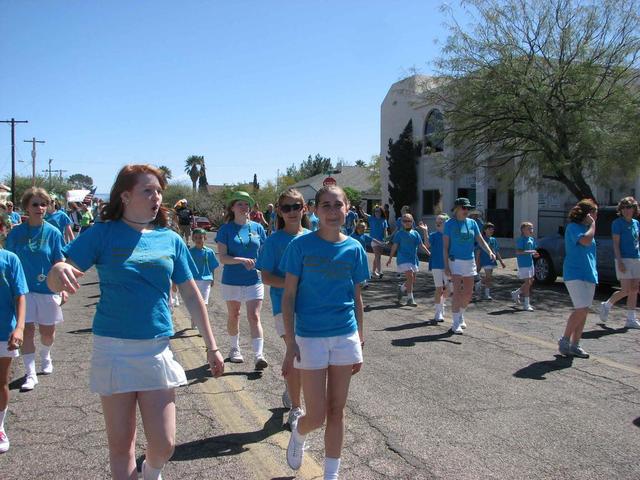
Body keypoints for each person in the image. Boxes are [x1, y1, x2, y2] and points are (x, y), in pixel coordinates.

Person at [47, 164, 225, 479]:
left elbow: (192, 295)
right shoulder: (102, 232)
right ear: (126, 196)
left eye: (159, 191)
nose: (156, 196)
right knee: (121, 447)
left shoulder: (169, 239)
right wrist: (57, 271)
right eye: (148, 190)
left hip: (156, 349)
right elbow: (59, 276)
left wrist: (212, 346)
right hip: (113, 349)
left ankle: (151, 471)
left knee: (165, 443)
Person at [281, 185, 369, 480]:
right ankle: (299, 432)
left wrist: (359, 336)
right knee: (316, 415)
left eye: (338, 205)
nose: (333, 211)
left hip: (345, 334)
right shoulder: (300, 247)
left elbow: (356, 296)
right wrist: (290, 341)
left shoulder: (355, 248)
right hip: (310, 337)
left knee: (337, 410)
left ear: (347, 209)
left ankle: (331, 474)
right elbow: (289, 295)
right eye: (326, 206)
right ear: (316, 211)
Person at [256, 188, 310, 431]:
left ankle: (291, 389)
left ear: (304, 208)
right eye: (286, 207)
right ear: (279, 211)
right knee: (296, 353)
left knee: (305, 357)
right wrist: (291, 284)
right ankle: (297, 408)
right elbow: (266, 276)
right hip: (284, 307)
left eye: (295, 206)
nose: (291, 212)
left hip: (311, 307)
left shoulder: (313, 237)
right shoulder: (274, 241)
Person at [6, 188, 65, 391]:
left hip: (48, 289)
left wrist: (63, 286)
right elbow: (9, 262)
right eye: (35, 204)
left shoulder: (53, 232)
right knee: (27, 330)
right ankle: (30, 374)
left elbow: (58, 260)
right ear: (26, 208)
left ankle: (46, 355)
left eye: (43, 204)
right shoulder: (16, 233)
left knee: (47, 332)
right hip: (22, 290)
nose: (40, 208)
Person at [216, 191, 268, 368]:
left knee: (254, 316)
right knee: (235, 314)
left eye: (247, 204)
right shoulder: (225, 230)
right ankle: (234, 349)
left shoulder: (258, 228)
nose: (245, 207)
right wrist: (240, 260)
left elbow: (264, 253)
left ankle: (259, 355)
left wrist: (260, 265)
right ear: (232, 207)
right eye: (240, 204)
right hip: (232, 280)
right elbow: (222, 257)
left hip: (254, 279)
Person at [443, 198, 495, 334]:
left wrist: (489, 251)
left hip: (469, 261)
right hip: (455, 261)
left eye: (468, 208)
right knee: (458, 292)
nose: (466, 210)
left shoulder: (472, 223)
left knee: (468, 292)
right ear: (457, 209)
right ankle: (455, 323)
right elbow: (445, 247)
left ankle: (460, 314)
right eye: (464, 208)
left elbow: (480, 240)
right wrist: (446, 265)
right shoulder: (449, 224)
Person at [558, 199, 599, 359]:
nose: (597, 215)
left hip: (589, 274)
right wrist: (593, 225)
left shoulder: (587, 229)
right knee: (581, 308)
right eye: (595, 212)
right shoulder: (573, 228)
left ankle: (575, 345)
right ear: (587, 214)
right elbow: (585, 241)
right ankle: (565, 340)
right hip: (574, 273)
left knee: (584, 311)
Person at [0, 248, 27, 453]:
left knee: (1, 381)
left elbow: (20, 295)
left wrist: (19, 327)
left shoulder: (10, 259)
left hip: (3, 331)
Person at [600, 196, 640, 328]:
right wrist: (620, 261)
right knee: (626, 290)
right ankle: (607, 305)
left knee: (634, 289)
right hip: (624, 259)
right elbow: (616, 244)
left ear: (634, 209)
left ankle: (630, 319)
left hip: (636, 259)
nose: (628, 210)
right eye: (625, 208)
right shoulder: (617, 223)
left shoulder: (636, 223)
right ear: (621, 210)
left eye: (630, 207)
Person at [386, 213, 430, 307]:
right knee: (410, 277)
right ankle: (410, 299)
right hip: (403, 258)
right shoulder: (399, 234)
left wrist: (429, 253)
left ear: (412, 222)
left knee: (412, 280)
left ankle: (402, 288)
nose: (407, 223)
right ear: (402, 222)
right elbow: (394, 246)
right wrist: (390, 258)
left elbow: (421, 245)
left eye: (409, 221)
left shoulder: (415, 233)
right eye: (405, 221)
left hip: (413, 259)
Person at [188, 228, 220, 327]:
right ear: (193, 238)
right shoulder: (190, 252)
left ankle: (202, 326)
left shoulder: (209, 252)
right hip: (194, 280)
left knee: (204, 303)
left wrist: (213, 278)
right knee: (195, 303)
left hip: (206, 280)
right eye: (196, 237)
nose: (198, 239)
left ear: (205, 238)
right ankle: (194, 318)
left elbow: (212, 267)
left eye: (201, 237)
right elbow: (186, 267)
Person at [428, 214, 451, 323]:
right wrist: (424, 231)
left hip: (448, 265)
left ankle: (441, 304)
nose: (438, 221)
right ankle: (438, 313)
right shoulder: (433, 235)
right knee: (439, 289)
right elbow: (427, 245)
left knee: (449, 288)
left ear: (446, 223)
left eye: (441, 220)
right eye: (437, 220)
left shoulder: (450, 236)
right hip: (436, 265)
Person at [511, 222, 538, 311]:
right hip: (523, 264)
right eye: (529, 228)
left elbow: (533, 251)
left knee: (531, 281)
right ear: (523, 230)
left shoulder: (532, 239)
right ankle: (526, 304)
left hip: (530, 263)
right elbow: (518, 252)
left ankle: (516, 293)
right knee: (527, 283)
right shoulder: (521, 240)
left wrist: (535, 254)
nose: (531, 230)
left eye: (532, 228)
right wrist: (530, 252)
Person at [477, 222, 506, 300]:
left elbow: (496, 251)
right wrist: (477, 262)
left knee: (489, 278)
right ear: (485, 230)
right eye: (489, 229)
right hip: (485, 260)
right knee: (489, 277)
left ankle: (486, 292)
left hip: (492, 261)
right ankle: (480, 285)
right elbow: (478, 252)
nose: (491, 231)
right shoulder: (482, 239)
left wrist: (501, 261)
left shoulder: (494, 240)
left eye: (492, 229)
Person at [359, 205, 388, 279]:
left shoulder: (384, 220)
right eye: (375, 211)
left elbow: (385, 231)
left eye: (378, 211)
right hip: (373, 240)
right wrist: (361, 209)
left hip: (381, 241)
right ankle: (380, 271)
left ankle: (373, 272)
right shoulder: (372, 218)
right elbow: (364, 214)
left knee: (377, 256)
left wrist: (385, 240)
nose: (376, 212)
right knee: (377, 255)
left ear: (381, 212)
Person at [351, 221, 374, 289]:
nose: (364, 228)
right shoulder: (352, 236)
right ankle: (353, 282)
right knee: (354, 268)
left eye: (364, 227)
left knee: (364, 268)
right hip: (354, 255)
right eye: (362, 227)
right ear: (358, 227)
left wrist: (381, 243)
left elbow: (373, 240)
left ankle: (364, 283)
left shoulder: (364, 236)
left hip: (363, 255)